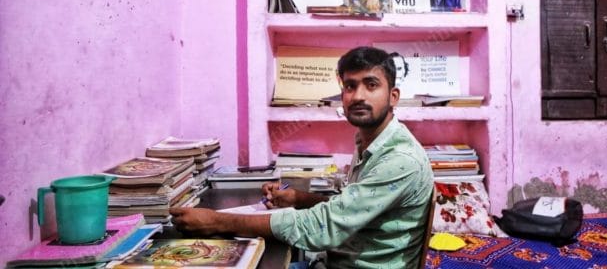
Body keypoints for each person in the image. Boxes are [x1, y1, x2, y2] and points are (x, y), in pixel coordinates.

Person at [170, 46, 434, 268]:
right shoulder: (370, 140)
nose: (359, 96)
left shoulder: (400, 159)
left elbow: (325, 227)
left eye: (371, 85)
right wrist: (297, 198)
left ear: (393, 96)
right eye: (350, 86)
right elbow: (351, 206)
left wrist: (217, 221)